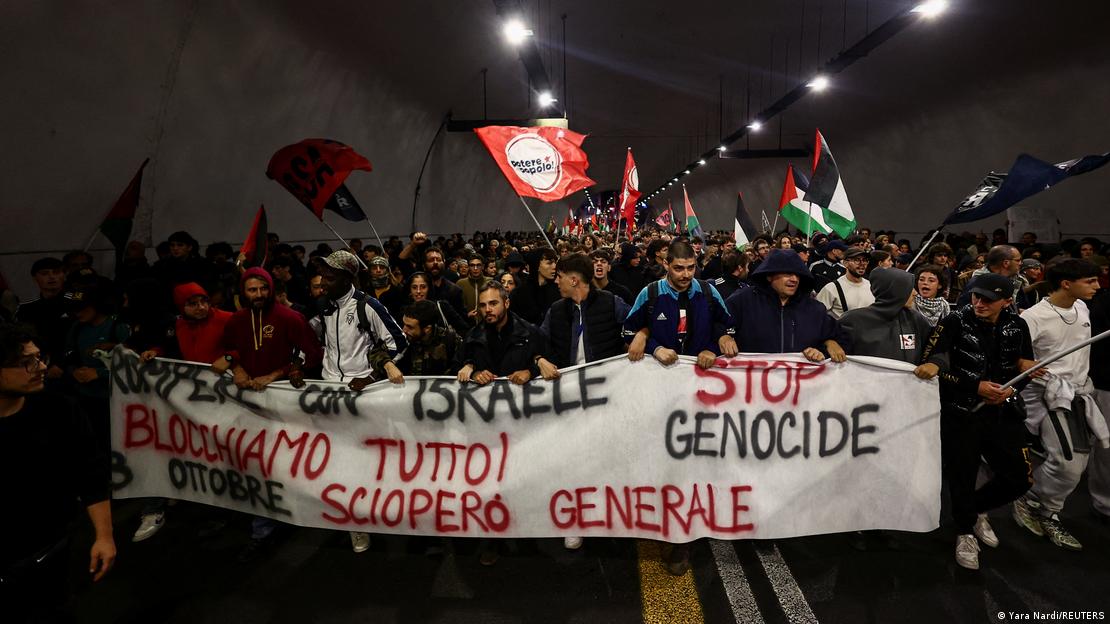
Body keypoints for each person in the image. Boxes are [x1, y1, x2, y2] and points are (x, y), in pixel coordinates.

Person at [622, 240, 737, 576]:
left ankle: (684, 535)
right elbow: (627, 330)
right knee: (664, 460)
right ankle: (664, 524)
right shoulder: (651, 293)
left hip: (700, 391)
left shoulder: (707, 290)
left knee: (695, 460)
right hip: (658, 393)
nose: (686, 275)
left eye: (691, 268)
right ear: (666, 263)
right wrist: (652, 344)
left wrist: (718, 344)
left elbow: (726, 323)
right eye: (678, 268)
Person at [916, 273, 1041, 571]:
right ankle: (964, 530)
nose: (979, 303)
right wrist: (975, 386)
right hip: (962, 413)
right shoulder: (954, 321)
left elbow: (1024, 367)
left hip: (1004, 413)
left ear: (1007, 301)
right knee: (961, 475)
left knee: (1019, 478)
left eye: (988, 299)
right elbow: (933, 365)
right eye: (976, 296)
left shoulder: (1018, 325)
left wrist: (1013, 388)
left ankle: (976, 510)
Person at [0, 324, 116, 623]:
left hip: (50, 550)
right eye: (26, 362)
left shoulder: (60, 409)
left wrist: (104, 535)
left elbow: (91, 472)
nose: (40, 367)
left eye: (40, 358)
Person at [217, 267, 323, 562]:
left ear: (272, 289)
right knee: (256, 464)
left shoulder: (291, 318)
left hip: (284, 404)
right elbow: (228, 349)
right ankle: (263, 528)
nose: (259, 295)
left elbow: (312, 354)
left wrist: (277, 374)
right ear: (243, 292)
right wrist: (236, 367)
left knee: (287, 463)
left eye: (263, 289)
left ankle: (293, 515)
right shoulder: (236, 320)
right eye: (252, 290)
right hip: (247, 405)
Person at [311, 251, 407, 553]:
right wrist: (299, 363)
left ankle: (370, 518)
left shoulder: (368, 306)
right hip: (330, 395)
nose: (324, 281)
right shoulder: (323, 307)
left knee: (362, 463)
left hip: (360, 398)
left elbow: (400, 344)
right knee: (336, 462)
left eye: (330, 275)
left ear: (347, 278)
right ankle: (351, 522)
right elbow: (311, 342)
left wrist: (372, 376)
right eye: (323, 275)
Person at [1012, 259, 1105, 552]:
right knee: (1068, 464)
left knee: (1077, 462)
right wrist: (1022, 361)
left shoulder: (1082, 308)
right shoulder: (1034, 317)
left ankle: (1046, 509)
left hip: (1079, 395)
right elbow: (1013, 356)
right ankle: (1032, 499)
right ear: (1066, 283)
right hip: (1047, 397)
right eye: (1090, 281)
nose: (1097, 286)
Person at [726, 249, 847, 362]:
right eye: (788, 273)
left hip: (801, 382)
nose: (794, 279)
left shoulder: (815, 309)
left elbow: (841, 338)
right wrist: (723, 337)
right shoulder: (742, 301)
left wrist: (828, 345)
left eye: (798, 274)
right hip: (755, 382)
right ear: (769, 275)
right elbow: (717, 325)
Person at [841, 268, 934, 364]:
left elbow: (935, 349)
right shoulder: (852, 321)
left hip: (908, 379)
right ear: (894, 290)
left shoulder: (915, 318)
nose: (915, 293)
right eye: (909, 288)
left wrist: (935, 362)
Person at [16, 257, 71, 388]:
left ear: (64, 275)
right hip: (38, 368)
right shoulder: (26, 309)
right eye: (45, 273)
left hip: (72, 368)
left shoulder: (78, 300)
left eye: (56, 272)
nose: (51, 277)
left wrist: (62, 364)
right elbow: (23, 340)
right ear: (35, 278)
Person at [395, 300, 461, 377]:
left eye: (410, 327)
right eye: (404, 324)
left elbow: (462, 365)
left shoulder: (450, 339)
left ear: (427, 328)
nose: (404, 330)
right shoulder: (402, 338)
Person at [816, 247, 874, 319]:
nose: (862, 264)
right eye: (857, 260)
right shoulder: (831, 288)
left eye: (865, 260)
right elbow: (816, 315)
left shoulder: (872, 286)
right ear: (845, 263)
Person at [510, 248, 560, 325]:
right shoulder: (519, 293)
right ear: (537, 265)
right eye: (549, 263)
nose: (554, 266)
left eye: (555, 263)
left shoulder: (559, 291)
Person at [457, 254, 491, 322]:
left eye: (478, 265)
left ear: (483, 267)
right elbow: (457, 307)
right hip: (467, 324)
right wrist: (466, 315)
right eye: (472, 265)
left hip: (487, 323)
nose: (475, 268)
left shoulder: (490, 281)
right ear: (469, 267)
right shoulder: (460, 283)